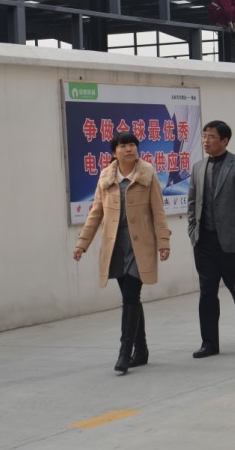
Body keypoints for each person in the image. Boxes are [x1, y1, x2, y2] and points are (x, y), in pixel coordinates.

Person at [73, 132, 171, 375]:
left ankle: (125, 353)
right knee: (131, 298)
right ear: (114, 152)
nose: (129, 149)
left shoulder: (147, 174)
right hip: (116, 245)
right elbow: (96, 213)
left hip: (141, 245)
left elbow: (158, 211)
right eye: (123, 146)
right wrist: (82, 244)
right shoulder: (106, 177)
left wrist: (163, 242)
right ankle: (142, 350)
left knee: (130, 295)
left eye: (132, 145)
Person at [188, 120, 235, 358]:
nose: (206, 141)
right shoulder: (198, 167)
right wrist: (193, 231)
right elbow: (192, 202)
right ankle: (209, 343)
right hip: (204, 243)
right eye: (204, 136)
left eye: (211, 137)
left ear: (225, 141)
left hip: (232, 242)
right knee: (207, 293)